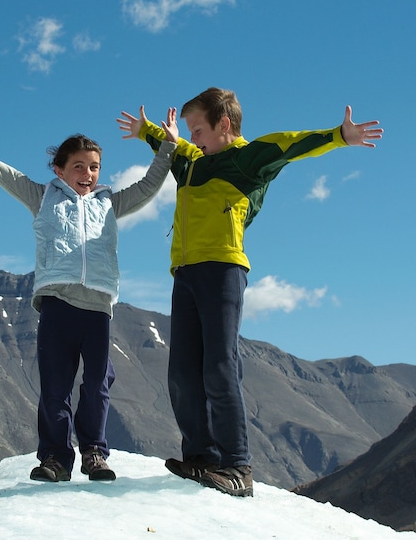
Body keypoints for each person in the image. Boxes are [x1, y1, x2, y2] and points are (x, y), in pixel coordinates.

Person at [117, 87, 382, 497]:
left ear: (225, 125)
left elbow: (291, 145)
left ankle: (237, 466)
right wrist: (146, 130)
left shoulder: (246, 158)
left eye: (199, 130)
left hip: (223, 269)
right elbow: (170, 145)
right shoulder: (189, 161)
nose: (193, 139)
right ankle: (201, 458)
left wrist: (338, 136)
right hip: (183, 274)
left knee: (219, 366)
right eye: (189, 131)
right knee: (183, 372)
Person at [0, 114, 179, 483]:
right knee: (55, 386)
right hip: (57, 305)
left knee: (97, 383)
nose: (88, 173)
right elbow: (2, 173)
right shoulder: (43, 197)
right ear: (59, 170)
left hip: (96, 308)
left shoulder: (109, 204)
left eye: (94, 167)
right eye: (78, 166)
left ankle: (94, 452)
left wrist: (168, 145)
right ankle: (56, 459)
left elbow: (149, 185)